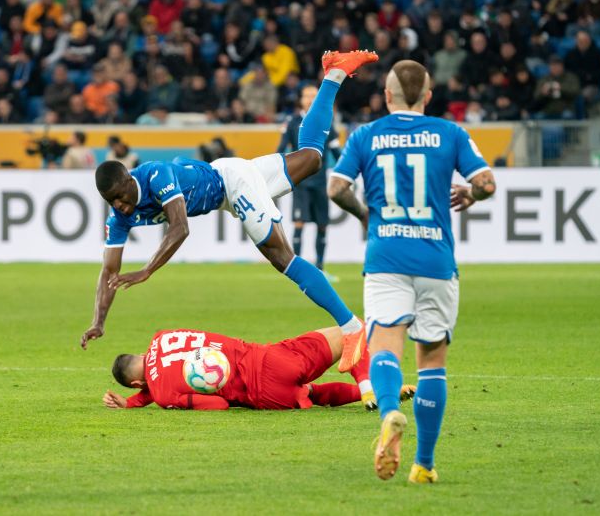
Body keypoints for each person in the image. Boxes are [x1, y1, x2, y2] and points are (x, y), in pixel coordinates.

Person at [81, 50, 380, 377]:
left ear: (128, 179)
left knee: (281, 257)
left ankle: (351, 327)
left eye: (121, 198)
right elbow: (108, 272)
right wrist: (98, 320)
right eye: (112, 202)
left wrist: (147, 270)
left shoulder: (154, 175)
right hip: (228, 177)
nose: (120, 207)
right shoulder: (119, 216)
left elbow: (180, 228)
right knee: (310, 158)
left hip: (233, 183)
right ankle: (334, 75)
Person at [328, 60, 496, 484]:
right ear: (428, 96)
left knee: (384, 347)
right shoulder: (450, 133)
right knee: (432, 362)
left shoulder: (366, 135)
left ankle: (389, 415)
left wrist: (367, 215)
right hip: (436, 262)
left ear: (386, 97)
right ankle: (424, 464)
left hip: (386, 258)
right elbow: (487, 184)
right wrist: (472, 194)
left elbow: (336, 188)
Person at [104, 326, 416, 411]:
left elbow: (219, 404)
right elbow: (162, 370)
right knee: (351, 329)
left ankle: (382, 392)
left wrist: (136, 402)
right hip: (268, 360)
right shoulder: (161, 337)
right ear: (141, 352)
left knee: (313, 394)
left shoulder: (160, 393)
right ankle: (367, 387)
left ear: (135, 385)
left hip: (266, 398)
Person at [277, 85, 362, 284]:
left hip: (320, 182)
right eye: (307, 96)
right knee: (299, 224)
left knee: (322, 225)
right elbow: (281, 150)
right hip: (299, 181)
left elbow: (335, 152)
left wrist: (350, 171)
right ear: (301, 99)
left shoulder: (326, 122)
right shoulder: (292, 122)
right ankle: (295, 271)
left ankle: (321, 269)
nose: (310, 100)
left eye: (314, 96)